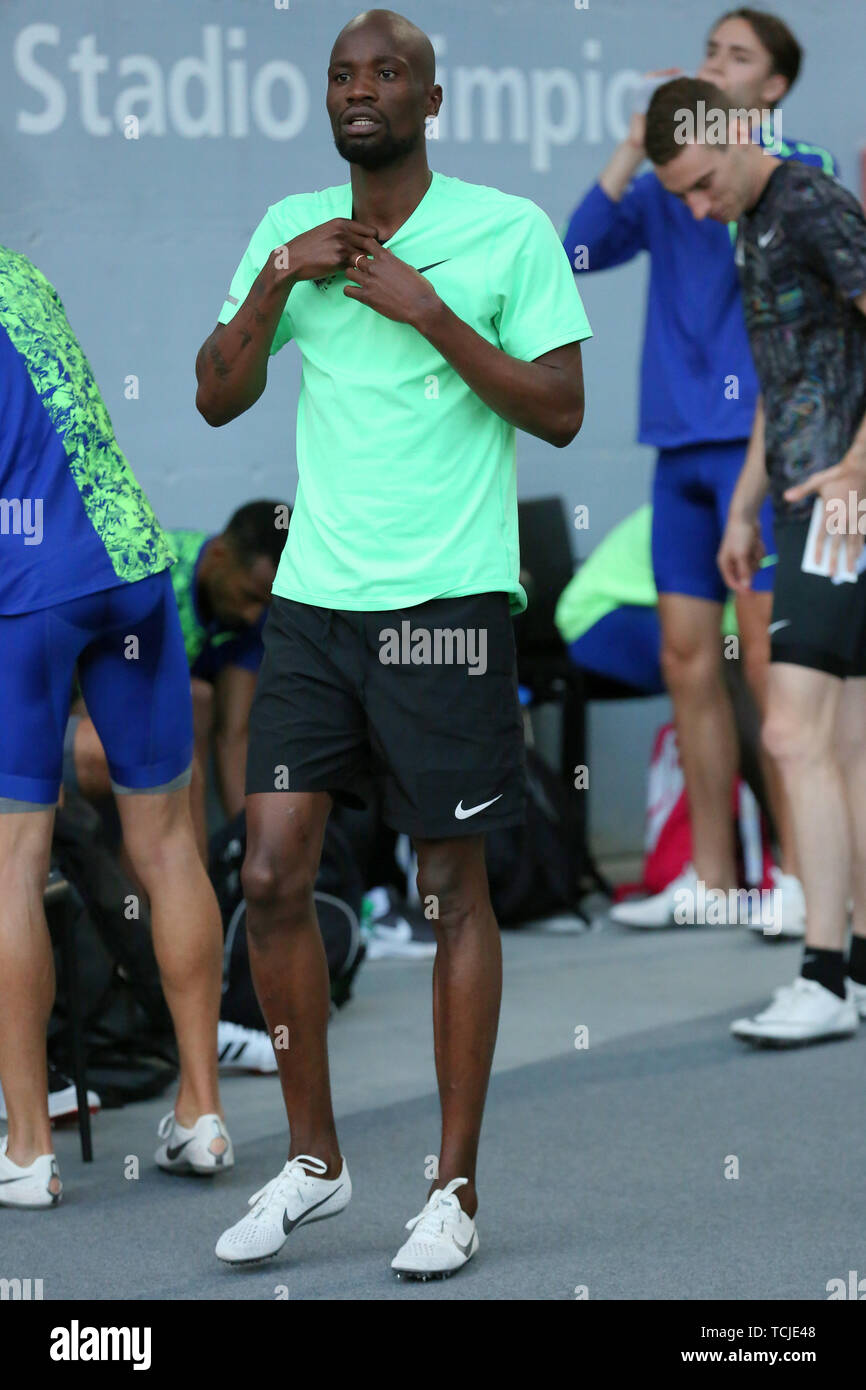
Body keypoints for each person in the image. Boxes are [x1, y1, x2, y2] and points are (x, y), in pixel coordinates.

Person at [195, 7, 590, 1277]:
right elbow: (213, 394)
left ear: (430, 100)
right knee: (267, 873)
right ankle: (313, 1160)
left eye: (386, 75)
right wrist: (277, 276)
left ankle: (454, 1187)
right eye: (341, 75)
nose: (359, 89)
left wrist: (427, 313)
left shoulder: (504, 232)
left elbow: (563, 410)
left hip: (448, 605)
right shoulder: (287, 232)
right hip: (314, 602)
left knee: (446, 886)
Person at [563, 7, 836, 931]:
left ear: (775, 85)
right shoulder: (672, 184)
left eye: (740, 56)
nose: (718, 63)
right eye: (712, 49)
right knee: (690, 660)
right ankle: (714, 881)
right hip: (675, 447)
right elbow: (574, 251)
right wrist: (636, 144)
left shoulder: (787, 174)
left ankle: (801, 879)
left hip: (757, 449)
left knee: (768, 662)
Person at [0, 246, 234, 1208]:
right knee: (170, 848)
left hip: (32, 589)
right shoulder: (18, 271)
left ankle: (26, 1148)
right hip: (133, 570)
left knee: (13, 862)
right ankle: (204, 1113)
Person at [645, 75, 866, 1046]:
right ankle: (850, 966)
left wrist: (855, 462)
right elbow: (785, 377)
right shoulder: (746, 222)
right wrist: (740, 505)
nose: (696, 206)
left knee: (786, 732)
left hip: (841, 501)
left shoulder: (811, 202)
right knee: (845, 746)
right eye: (681, 196)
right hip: (795, 502)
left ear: (734, 135)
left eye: (699, 182)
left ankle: (821, 973)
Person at [66, 499, 289, 858]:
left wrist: (250, 843)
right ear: (219, 555)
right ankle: (154, 884)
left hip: (162, 712)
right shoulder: (151, 573)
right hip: (84, 705)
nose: (253, 616)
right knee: (185, 703)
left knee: (193, 700)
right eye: (249, 597)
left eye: (265, 605)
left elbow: (234, 736)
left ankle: (200, 871)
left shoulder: (250, 612)